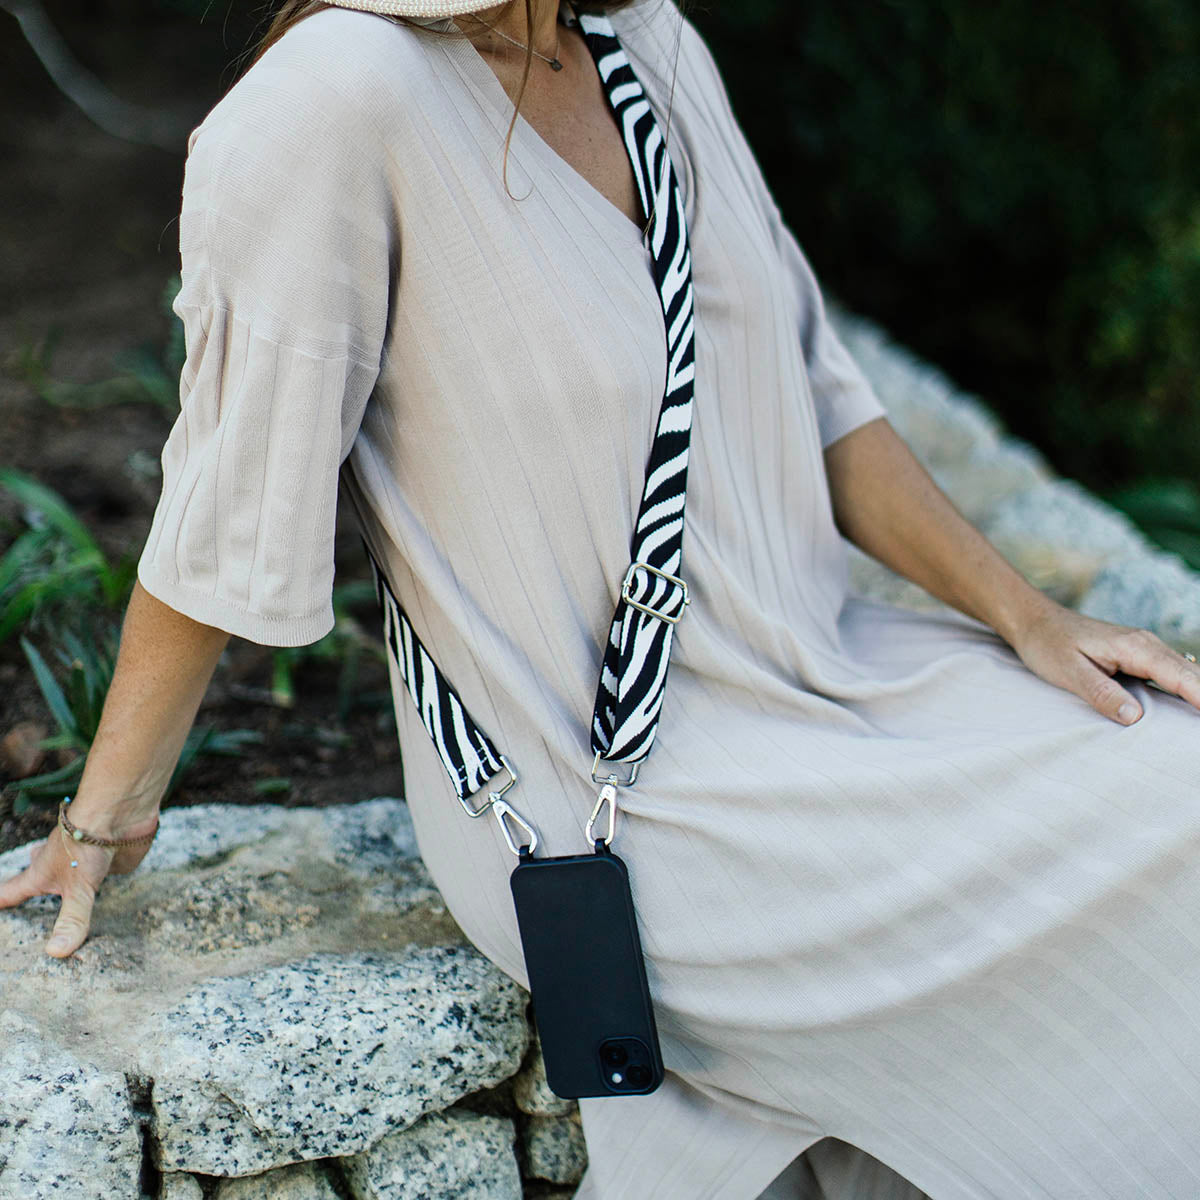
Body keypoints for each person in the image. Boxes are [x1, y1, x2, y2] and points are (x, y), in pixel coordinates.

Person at [3, 0, 1199, 1196]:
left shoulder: (650, 45)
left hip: (838, 677)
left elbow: (820, 389)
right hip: (604, 796)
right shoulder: (339, 94)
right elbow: (228, 510)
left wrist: (1028, 615)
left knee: (1174, 761)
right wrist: (104, 820)